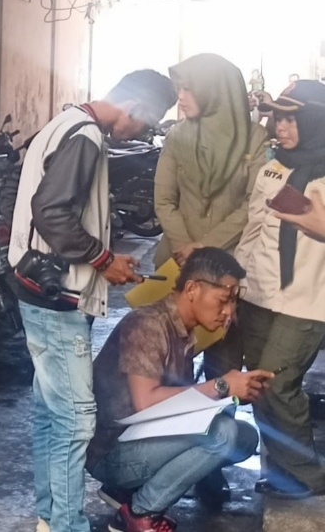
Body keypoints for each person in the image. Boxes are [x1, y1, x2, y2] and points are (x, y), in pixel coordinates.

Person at [9, 69, 176, 532]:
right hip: (57, 299)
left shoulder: (65, 122)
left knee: (52, 413)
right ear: (135, 107)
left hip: (38, 289)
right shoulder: (84, 137)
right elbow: (51, 212)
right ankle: (66, 525)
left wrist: (107, 260)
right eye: (145, 123)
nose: (139, 133)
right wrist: (102, 260)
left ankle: (50, 518)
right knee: (76, 420)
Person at [86, 248, 268, 532]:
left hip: (140, 442)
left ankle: (127, 492)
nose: (229, 312)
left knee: (244, 436)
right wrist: (222, 386)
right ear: (192, 289)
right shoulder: (148, 324)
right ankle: (138, 513)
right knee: (223, 433)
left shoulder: (182, 329)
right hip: (110, 453)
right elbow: (146, 402)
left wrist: (233, 392)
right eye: (223, 300)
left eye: (233, 302)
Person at [155, 54, 269, 385]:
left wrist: (204, 248)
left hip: (228, 271)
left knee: (223, 367)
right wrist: (185, 248)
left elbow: (254, 204)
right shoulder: (177, 136)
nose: (180, 97)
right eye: (179, 89)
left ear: (215, 91)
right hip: (176, 267)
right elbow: (164, 200)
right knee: (168, 363)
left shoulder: (255, 139)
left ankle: (220, 419)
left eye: (189, 89)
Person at [236, 80, 325, 499]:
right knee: (258, 385)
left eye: (293, 119)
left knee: (277, 383)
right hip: (258, 291)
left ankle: (306, 476)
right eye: (278, 118)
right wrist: (237, 280)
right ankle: (282, 470)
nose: (281, 127)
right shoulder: (272, 167)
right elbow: (253, 229)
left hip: (307, 299)